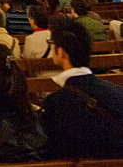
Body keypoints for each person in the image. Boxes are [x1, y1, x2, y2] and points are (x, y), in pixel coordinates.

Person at [44, 19, 123, 158]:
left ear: (61, 52)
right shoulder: (119, 92)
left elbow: (56, 151)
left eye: (51, 44)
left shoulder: (54, 103)